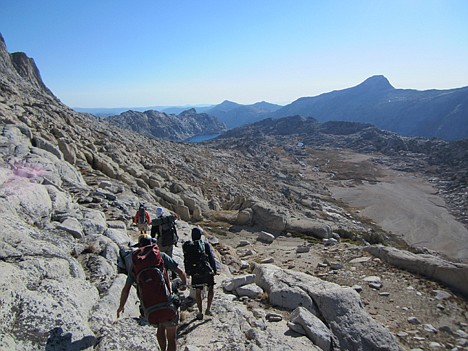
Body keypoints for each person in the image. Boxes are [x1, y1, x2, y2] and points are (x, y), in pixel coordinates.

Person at [117, 234, 187, 351]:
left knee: (160, 326)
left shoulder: (136, 264)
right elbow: (180, 273)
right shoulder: (161, 256)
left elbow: (126, 288)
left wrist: (121, 306)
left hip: (149, 309)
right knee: (171, 337)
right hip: (167, 304)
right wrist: (184, 284)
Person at [184, 226, 217, 320]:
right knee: (210, 287)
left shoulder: (189, 246)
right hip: (206, 270)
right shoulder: (204, 244)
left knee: (198, 291)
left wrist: (187, 272)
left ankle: (200, 312)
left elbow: (186, 259)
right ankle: (208, 309)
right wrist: (214, 269)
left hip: (195, 271)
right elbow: (210, 257)